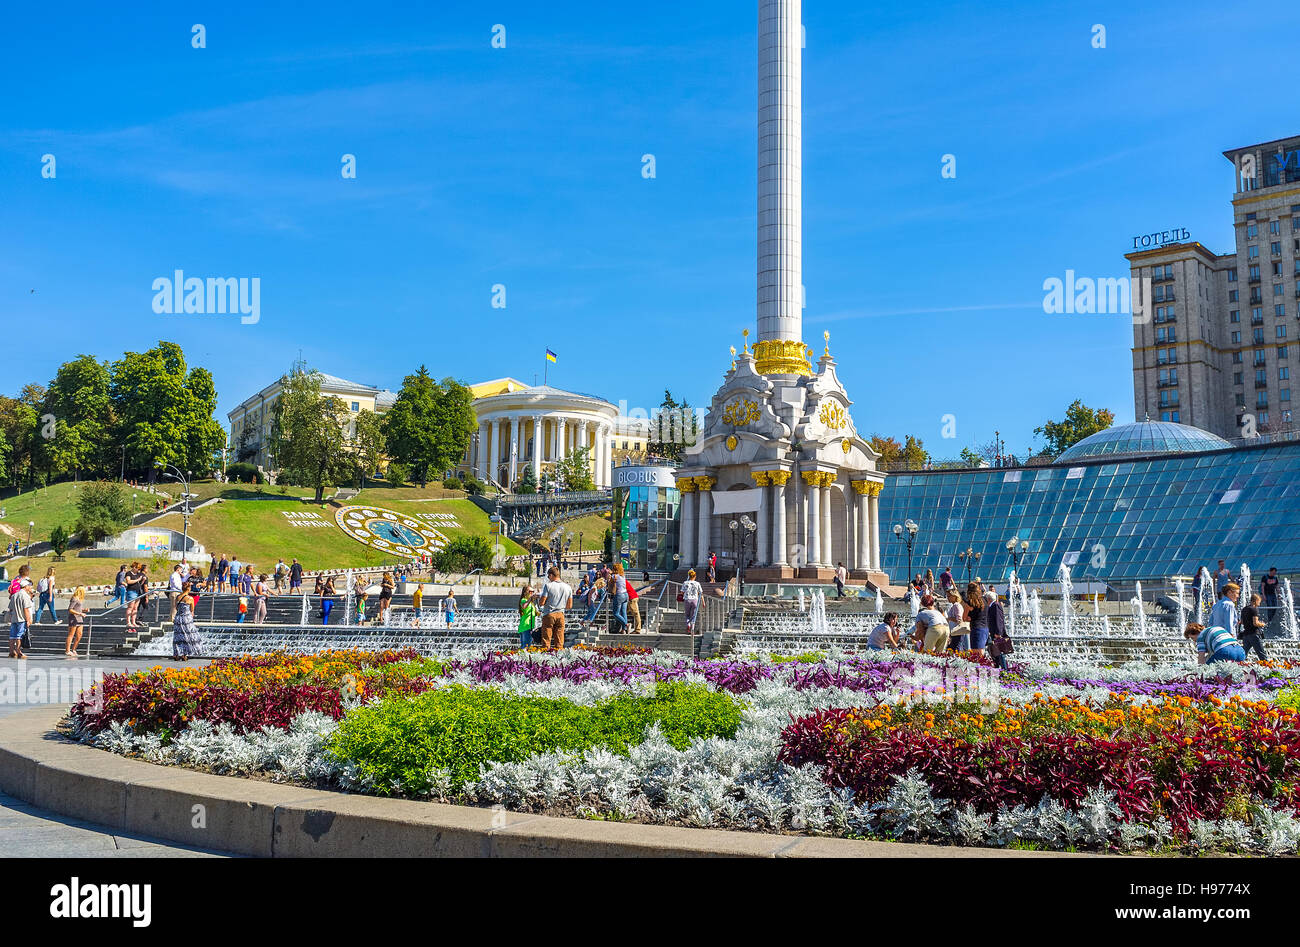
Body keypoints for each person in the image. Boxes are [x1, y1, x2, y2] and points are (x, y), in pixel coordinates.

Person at [538, 566, 573, 650]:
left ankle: (545, 657)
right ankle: (559, 657)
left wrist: (539, 600)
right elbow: (569, 606)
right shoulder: (568, 587)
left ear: (551, 575)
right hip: (561, 614)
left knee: (546, 640)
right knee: (559, 641)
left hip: (549, 614)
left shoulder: (548, 586)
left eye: (548, 576)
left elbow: (542, 602)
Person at [8, 567, 34, 659]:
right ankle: (19, 652)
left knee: (12, 636)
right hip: (21, 619)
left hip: (14, 618)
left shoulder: (14, 595)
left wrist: (11, 617)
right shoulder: (25, 596)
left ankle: (11, 652)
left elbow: (10, 609)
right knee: (19, 636)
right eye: (29, 586)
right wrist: (28, 620)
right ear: (26, 586)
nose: (30, 587)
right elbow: (26, 609)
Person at [172, 590, 203, 661]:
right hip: (187, 619)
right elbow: (192, 609)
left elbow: (176, 607)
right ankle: (184, 654)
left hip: (178, 618)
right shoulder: (190, 598)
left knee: (177, 636)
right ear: (188, 590)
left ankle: (176, 654)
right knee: (188, 636)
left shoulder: (177, 597)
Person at [1239, 593, 1268, 662]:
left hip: (1246, 635)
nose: (1259, 603)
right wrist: (1262, 624)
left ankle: (1238, 666)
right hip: (1254, 634)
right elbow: (1255, 623)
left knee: (1243, 654)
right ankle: (1268, 668)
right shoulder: (1254, 609)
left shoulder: (1244, 609)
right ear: (1256, 600)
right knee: (1262, 654)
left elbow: (1242, 622)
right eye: (1259, 601)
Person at [965, 582, 989, 657]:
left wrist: (969, 618)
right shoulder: (984, 600)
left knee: (977, 654)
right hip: (985, 628)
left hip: (976, 629)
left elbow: (964, 618)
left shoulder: (970, 603)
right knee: (982, 652)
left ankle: (980, 668)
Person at [985, 589, 1008, 669]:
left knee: (1000, 652)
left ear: (988, 599)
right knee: (995, 652)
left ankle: (1004, 670)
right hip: (993, 632)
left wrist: (998, 633)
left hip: (997, 633)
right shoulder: (992, 606)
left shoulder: (995, 605)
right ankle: (998, 668)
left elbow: (999, 619)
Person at [60, 586, 85, 657]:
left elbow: (77, 609)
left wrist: (83, 610)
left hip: (79, 619)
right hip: (73, 618)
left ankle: (74, 649)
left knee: (79, 635)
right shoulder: (74, 598)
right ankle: (67, 650)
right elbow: (70, 609)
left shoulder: (79, 599)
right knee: (71, 635)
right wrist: (80, 613)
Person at [681, 568, 704, 635]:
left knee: (687, 615)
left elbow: (682, 592)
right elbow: (701, 593)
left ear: (689, 575)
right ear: (695, 576)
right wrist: (703, 602)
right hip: (695, 600)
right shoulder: (697, 583)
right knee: (693, 616)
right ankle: (692, 629)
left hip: (687, 599)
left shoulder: (685, 583)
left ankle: (688, 625)